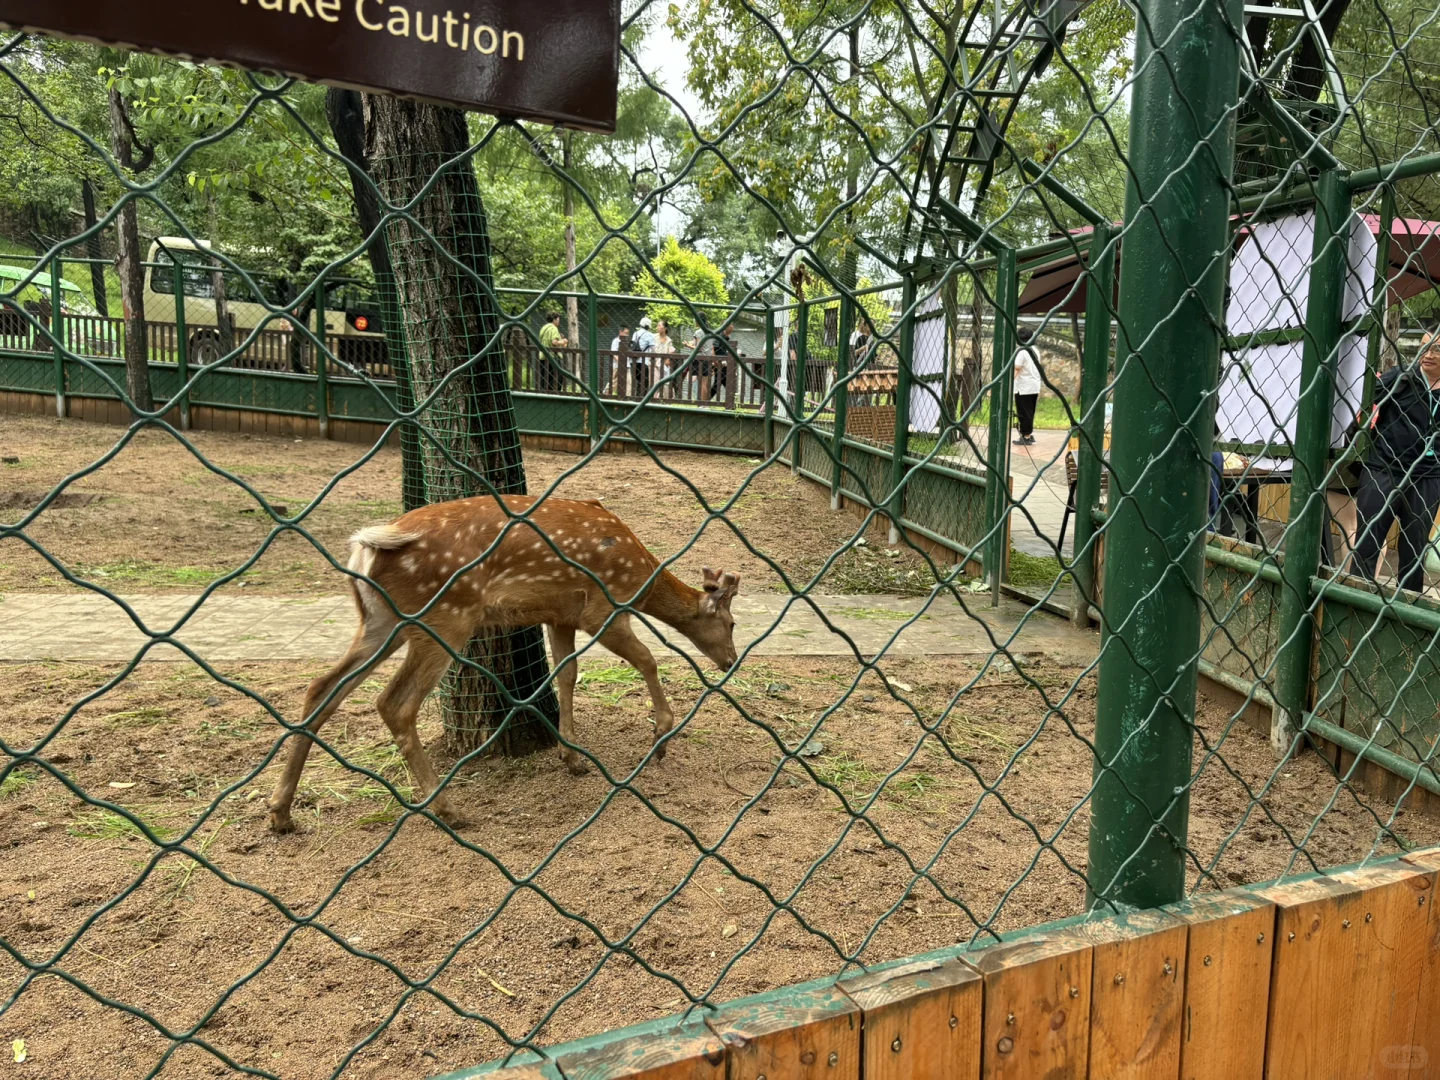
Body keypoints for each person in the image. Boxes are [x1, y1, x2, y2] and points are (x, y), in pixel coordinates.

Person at [1352, 330, 1440, 593]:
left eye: (1436, 349)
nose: (1427, 354)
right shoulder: (1401, 377)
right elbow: (1363, 402)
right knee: (1367, 542)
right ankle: (1356, 600)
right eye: (1424, 347)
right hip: (1384, 468)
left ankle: (1407, 605)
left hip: (1427, 476)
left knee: (1415, 550)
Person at [1012, 326, 1041, 446]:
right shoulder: (1034, 350)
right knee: (1030, 411)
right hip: (1034, 384)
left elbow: (1017, 369)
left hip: (1023, 386)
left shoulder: (1022, 351)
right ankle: (1029, 434)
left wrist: (1009, 382)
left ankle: (1026, 436)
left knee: (1023, 412)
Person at [536, 311, 568, 393]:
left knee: (545, 379)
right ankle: (555, 395)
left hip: (543, 356)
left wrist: (559, 338)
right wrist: (563, 341)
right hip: (552, 357)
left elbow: (545, 340)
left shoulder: (544, 328)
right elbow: (554, 343)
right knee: (558, 378)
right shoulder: (554, 328)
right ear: (554, 319)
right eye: (558, 319)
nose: (559, 321)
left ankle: (544, 395)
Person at [632, 317, 658, 395]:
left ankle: (637, 396)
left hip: (634, 360)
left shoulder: (635, 333)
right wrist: (654, 359)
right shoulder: (650, 335)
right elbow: (653, 349)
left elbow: (632, 345)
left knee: (639, 380)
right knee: (644, 382)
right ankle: (642, 398)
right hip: (643, 361)